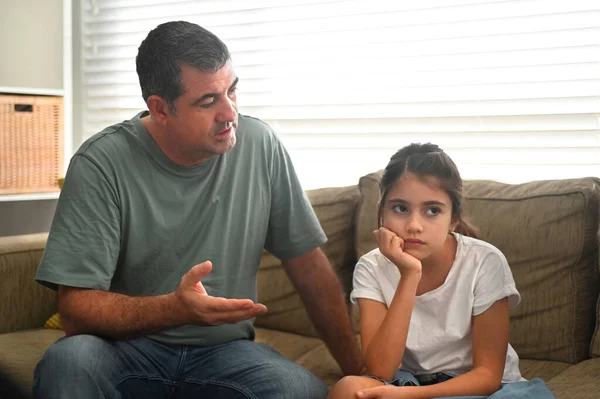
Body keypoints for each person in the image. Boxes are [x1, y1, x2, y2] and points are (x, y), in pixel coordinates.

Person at [33, 21, 363, 399]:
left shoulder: (261, 145)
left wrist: (360, 371)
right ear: (160, 109)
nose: (230, 113)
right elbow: (76, 311)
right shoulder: (101, 162)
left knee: (298, 389)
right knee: (68, 363)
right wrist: (175, 309)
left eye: (232, 91)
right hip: (122, 349)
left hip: (226, 353)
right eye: (208, 101)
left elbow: (308, 266)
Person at [328, 143, 555, 399]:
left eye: (432, 211)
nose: (414, 226)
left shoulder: (485, 262)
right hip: (409, 380)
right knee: (349, 388)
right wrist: (409, 275)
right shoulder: (371, 267)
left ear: (454, 218)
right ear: (382, 211)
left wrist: (410, 396)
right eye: (400, 208)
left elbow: (488, 376)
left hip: (478, 386)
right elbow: (380, 369)